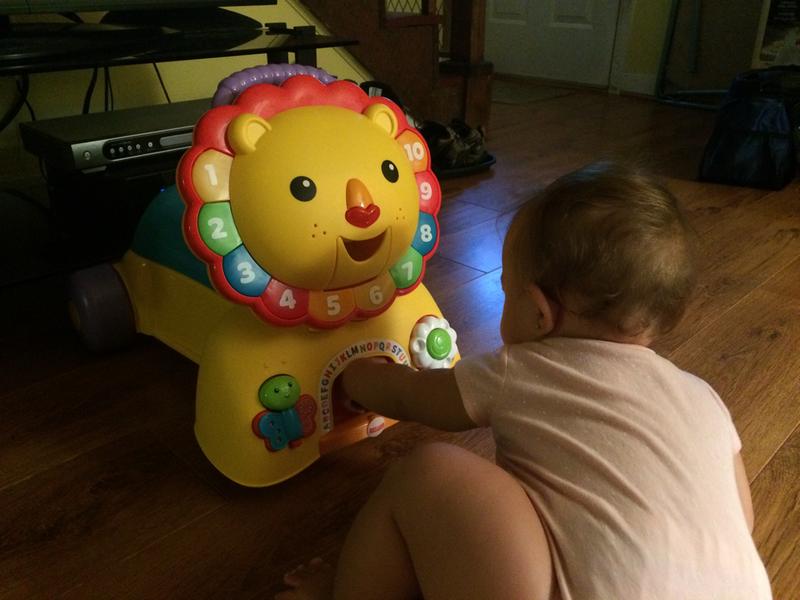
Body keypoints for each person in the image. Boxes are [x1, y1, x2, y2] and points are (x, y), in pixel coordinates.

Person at [276, 162, 773, 600]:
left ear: (538, 313)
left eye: (506, 291)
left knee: (428, 471)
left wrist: (357, 378)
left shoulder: (527, 367)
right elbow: (740, 520)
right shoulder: (704, 398)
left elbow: (415, 397)